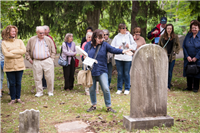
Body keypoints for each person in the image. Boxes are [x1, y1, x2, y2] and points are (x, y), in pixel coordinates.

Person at [84, 29, 132, 113]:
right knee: (92, 89)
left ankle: (108, 106)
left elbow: (113, 50)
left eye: (102, 38)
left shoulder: (104, 45)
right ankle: (93, 105)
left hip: (102, 69)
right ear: (94, 37)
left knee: (106, 88)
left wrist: (123, 51)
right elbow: (84, 55)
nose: (101, 40)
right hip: (91, 69)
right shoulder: (88, 45)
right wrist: (83, 58)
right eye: (99, 38)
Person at [25, 26, 56, 97]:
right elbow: (27, 50)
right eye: (40, 33)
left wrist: (52, 59)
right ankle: (39, 91)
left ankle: (50, 91)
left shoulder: (48, 39)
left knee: (49, 77)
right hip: (36, 61)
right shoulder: (32, 40)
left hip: (47, 60)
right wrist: (29, 59)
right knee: (37, 77)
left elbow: (53, 50)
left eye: (43, 33)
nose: (42, 34)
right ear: (37, 33)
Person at [1, 25, 26, 105]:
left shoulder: (20, 41)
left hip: (19, 65)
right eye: (12, 31)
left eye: (15, 31)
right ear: (8, 32)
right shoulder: (4, 43)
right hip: (9, 66)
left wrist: (11, 51)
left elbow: (23, 51)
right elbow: (6, 54)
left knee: (18, 82)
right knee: (12, 83)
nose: (14, 33)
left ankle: (18, 98)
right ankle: (12, 99)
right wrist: (18, 52)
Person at [111, 23, 137, 95]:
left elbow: (134, 46)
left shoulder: (129, 36)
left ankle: (127, 88)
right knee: (120, 73)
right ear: (119, 29)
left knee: (126, 73)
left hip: (127, 57)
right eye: (123, 28)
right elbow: (112, 47)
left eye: (125, 28)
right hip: (119, 57)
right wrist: (117, 48)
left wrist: (129, 46)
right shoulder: (116, 37)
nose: (125, 30)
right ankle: (119, 88)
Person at [158, 24, 180, 91]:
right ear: (166, 29)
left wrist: (175, 51)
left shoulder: (175, 37)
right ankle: (163, 85)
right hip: (164, 56)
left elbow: (178, 45)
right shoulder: (162, 37)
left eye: (170, 28)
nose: (169, 30)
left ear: (172, 29)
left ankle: (168, 86)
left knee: (170, 72)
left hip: (171, 57)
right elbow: (159, 46)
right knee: (164, 71)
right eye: (168, 28)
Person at [182, 20, 200, 93]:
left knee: (197, 72)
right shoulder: (188, 35)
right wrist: (187, 56)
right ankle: (189, 86)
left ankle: (196, 87)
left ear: (198, 28)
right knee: (188, 71)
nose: (194, 29)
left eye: (195, 28)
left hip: (197, 58)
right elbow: (184, 46)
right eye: (192, 28)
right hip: (188, 58)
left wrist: (196, 57)